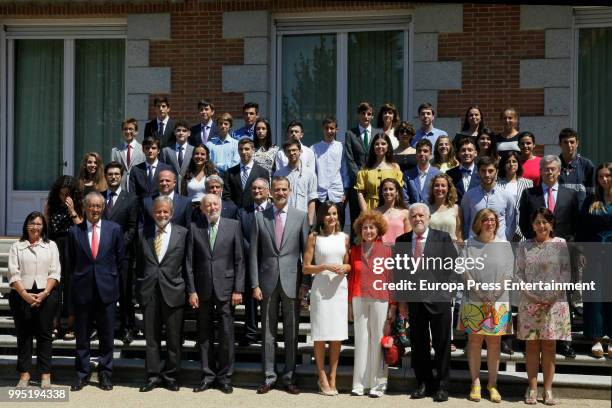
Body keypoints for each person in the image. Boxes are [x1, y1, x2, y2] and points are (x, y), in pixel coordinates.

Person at [249, 176, 310, 395]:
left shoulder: (301, 217)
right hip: (266, 282)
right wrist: (254, 283)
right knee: (267, 331)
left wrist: (305, 283)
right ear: (270, 192)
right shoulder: (259, 218)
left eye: (284, 189)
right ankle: (269, 376)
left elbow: (306, 253)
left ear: (290, 191)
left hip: (292, 281)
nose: (281, 193)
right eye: (277, 189)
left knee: (292, 332)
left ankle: (289, 376)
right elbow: (253, 254)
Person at [395, 203, 458, 402]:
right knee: (419, 345)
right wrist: (402, 301)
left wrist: (448, 290)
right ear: (410, 219)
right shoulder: (402, 240)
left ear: (428, 218)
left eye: (421, 215)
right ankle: (424, 383)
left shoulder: (442, 238)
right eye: (413, 216)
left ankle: (442, 386)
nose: (418, 219)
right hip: (415, 301)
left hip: (439, 299)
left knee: (441, 344)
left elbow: (454, 266)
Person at [519, 155, 580, 359]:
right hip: (535, 251)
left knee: (563, 297)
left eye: (553, 169)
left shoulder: (570, 195)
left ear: (559, 171)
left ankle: (564, 341)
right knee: (534, 296)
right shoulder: (529, 194)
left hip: (561, 252)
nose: (549, 172)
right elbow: (523, 222)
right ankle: (532, 336)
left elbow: (575, 223)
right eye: (545, 169)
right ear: (541, 171)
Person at [66, 192, 126, 391]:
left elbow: (120, 260)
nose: (95, 210)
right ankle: (82, 375)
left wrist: (114, 283)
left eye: (99, 206)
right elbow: (70, 264)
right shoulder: (74, 232)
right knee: (82, 337)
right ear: (84, 207)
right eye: (91, 206)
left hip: (106, 290)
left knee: (106, 337)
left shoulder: (114, 229)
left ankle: (105, 375)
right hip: (82, 291)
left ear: (103, 208)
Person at [136, 196, 195, 392]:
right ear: (153, 213)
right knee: (151, 338)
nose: (162, 215)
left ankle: (171, 376)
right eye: (158, 211)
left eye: (165, 212)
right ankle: (153, 376)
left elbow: (188, 265)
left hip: (174, 291)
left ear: (172, 213)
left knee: (173, 337)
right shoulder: (142, 233)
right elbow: (138, 265)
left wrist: (190, 291)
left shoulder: (183, 233)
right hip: (149, 291)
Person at [516, 208, 571, 405]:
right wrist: (530, 294)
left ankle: (547, 390)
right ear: (532, 225)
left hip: (554, 303)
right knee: (531, 345)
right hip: (529, 302)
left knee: (549, 345)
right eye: (537, 222)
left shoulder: (560, 244)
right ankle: (532, 388)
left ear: (551, 224)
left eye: (545, 222)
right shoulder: (524, 245)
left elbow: (566, 273)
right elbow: (519, 273)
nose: (541, 226)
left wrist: (552, 295)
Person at [191, 194, 244, 394]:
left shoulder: (233, 225)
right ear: (202, 209)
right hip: (203, 288)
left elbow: (239, 259)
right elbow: (190, 262)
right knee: (204, 335)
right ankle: (207, 375)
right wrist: (192, 290)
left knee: (226, 334)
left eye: (215, 204)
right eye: (208, 205)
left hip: (227, 288)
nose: (212, 208)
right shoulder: (195, 228)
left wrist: (238, 289)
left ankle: (224, 378)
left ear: (220, 206)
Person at [458, 209, 514, 403]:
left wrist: (494, 295)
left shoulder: (505, 245)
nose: (489, 223)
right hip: (474, 300)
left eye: (492, 220)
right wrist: (482, 294)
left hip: (498, 301)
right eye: (485, 220)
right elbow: (464, 271)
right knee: (474, 342)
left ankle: (492, 384)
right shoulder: (468, 244)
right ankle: (475, 383)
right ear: (478, 223)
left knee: (494, 343)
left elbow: (509, 273)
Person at [302, 202, 351, 396]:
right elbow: (306, 267)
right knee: (321, 334)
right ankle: (321, 375)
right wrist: (324, 267)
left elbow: (348, 265)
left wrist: (344, 268)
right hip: (321, 288)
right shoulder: (314, 238)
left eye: (335, 214)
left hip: (339, 289)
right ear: (322, 217)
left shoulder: (344, 238)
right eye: (328, 214)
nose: (332, 217)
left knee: (337, 334)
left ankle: (333, 376)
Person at [8, 212, 60, 388]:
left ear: (43, 226)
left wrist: (45, 293)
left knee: (45, 335)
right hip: (21, 295)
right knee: (24, 336)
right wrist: (25, 295)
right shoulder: (17, 246)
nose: (35, 227)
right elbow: (13, 273)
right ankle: (24, 374)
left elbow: (55, 271)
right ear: (26, 225)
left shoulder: (51, 245)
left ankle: (45, 374)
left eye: (39, 224)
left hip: (46, 294)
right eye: (32, 223)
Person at [348, 210, 393, 397]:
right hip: (359, 297)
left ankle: (378, 384)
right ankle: (359, 384)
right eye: (365, 227)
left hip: (381, 297)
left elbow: (392, 279)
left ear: (378, 229)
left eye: (371, 227)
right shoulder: (355, 251)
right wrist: (349, 304)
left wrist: (394, 306)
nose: (368, 230)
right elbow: (351, 278)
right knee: (361, 340)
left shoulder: (387, 250)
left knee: (377, 340)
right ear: (360, 230)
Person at [102, 162, 139, 345]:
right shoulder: (99, 198)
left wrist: (118, 247)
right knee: (103, 294)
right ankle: (104, 328)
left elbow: (132, 228)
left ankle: (127, 328)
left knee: (125, 295)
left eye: (117, 174)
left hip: (123, 255)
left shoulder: (131, 199)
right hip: (101, 257)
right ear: (105, 176)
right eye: (110, 174)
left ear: (122, 176)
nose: (114, 177)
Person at [580, 163, 612, 358]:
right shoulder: (591, 200)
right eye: (601, 177)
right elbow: (582, 227)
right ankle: (597, 339)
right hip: (594, 253)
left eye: (608, 176)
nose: (605, 180)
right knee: (595, 296)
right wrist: (581, 251)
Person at [45, 176, 82, 341]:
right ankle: (54, 324)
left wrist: (72, 210)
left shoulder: (77, 204)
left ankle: (70, 324)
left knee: (71, 284)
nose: (64, 196)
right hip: (54, 245)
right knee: (54, 284)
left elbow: (81, 227)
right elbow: (45, 228)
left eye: (68, 193)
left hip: (72, 244)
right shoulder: (50, 205)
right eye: (62, 193)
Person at [237, 178, 271, 346]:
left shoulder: (274, 211)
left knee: (268, 300)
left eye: (260, 188)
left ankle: (268, 335)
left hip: (269, 261)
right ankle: (250, 333)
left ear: (267, 191)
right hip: (249, 260)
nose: (257, 191)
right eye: (254, 188)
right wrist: (252, 251)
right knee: (251, 300)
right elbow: (239, 235)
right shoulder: (243, 212)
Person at [345, 102, 382, 230]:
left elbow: (380, 155)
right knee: (357, 220)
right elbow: (350, 159)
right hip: (357, 184)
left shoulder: (378, 133)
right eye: (363, 114)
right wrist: (361, 177)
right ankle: (356, 249)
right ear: (358, 115)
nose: (366, 116)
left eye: (369, 114)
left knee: (375, 219)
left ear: (372, 116)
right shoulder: (350, 134)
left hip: (374, 184)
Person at [461, 156, 515, 241]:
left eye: (490, 171)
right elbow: (465, 223)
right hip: (475, 246)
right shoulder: (469, 196)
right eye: (483, 171)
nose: (487, 174)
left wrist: (504, 241)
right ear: (478, 172)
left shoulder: (507, 195)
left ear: (496, 172)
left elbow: (511, 224)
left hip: (499, 245)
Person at [311, 117, 349, 226]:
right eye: (326, 128)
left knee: (338, 226)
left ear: (337, 130)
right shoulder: (314, 148)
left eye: (332, 128)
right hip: (320, 194)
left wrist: (345, 192)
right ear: (323, 129)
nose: (329, 131)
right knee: (322, 227)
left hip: (337, 193)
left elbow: (345, 170)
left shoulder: (341, 147)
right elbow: (313, 173)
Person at [355, 133, 404, 212]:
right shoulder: (366, 169)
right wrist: (365, 212)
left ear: (388, 146)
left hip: (390, 209)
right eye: (377, 144)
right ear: (373, 147)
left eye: (383, 144)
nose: (380, 146)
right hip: (370, 209)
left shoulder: (395, 167)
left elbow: (398, 192)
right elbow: (360, 192)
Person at [274, 138, 318, 224]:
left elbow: (312, 200)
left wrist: (310, 223)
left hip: (303, 219)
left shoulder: (310, 174)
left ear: (300, 151)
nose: (291, 153)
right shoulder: (278, 174)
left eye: (294, 150)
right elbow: (276, 199)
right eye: (288, 151)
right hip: (284, 219)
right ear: (285, 153)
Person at [496, 151, 533, 241]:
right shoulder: (497, 184)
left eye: (514, 161)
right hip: (503, 229)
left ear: (518, 164)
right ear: (503, 165)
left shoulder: (528, 183)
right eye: (508, 162)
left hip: (523, 229)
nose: (511, 164)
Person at [223, 137, 270, 209]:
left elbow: (265, 194)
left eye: (247, 149)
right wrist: (234, 209)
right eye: (241, 149)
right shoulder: (230, 173)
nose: (243, 152)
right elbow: (226, 195)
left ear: (253, 150)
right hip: (235, 215)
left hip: (255, 213)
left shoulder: (263, 172)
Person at [557, 127, 595, 208]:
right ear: (560, 144)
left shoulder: (587, 165)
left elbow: (591, 194)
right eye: (565, 142)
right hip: (558, 214)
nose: (569, 145)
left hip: (580, 214)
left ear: (577, 143)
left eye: (572, 142)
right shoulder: (553, 165)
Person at [129, 136, 175, 201]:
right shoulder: (135, 169)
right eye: (147, 148)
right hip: (141, 208)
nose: (150, 151)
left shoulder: (168, 169)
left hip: (161, 207)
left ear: (158, 150)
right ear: (143, 150)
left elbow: (172, 191)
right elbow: (132, 194)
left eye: (153, 148)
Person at [110, 118, 145, 192]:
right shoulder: (115, 151)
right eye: (125, 129)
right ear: (122, 132)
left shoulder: (143, 150)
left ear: (136, 132)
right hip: (121, 190)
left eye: (131, 129)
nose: (128, 131)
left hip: (138, 189)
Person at [160, 120, 194, 195]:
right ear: (174, 132)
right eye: (178, 130)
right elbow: (162, 171)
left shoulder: (194, 151)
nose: (181, 133)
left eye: (184, 131)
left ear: (189, 133)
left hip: (188, 190)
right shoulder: (166, 151)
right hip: (170, 190)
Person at [428, 173, 462, 243]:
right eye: (437, 185)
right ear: (432, 188)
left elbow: (459, 236)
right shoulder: (426, 209)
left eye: (443, 186)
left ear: (448, 188)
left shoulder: (456, 208)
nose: (440, 188)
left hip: (451, 250)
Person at [404, 139, 440, 204]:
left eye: (425, 151)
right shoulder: (407, 174)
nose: (422, 153)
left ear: (431, 154)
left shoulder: (438, 174)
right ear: (416, 153)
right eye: (419, 151)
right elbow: (405, 200)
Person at [376, 178, 411, 245]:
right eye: (385, 189)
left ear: (397, 192)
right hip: (380, 251)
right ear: (381, 192)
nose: (388, 192)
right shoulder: (374, 213)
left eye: (391, 189)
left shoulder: (405, 213)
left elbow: (408, 238)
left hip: (398, 252)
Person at [447, 137, 480, 202]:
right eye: (463, 150)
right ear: (458, 154)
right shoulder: (449, 174)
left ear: (475, 153)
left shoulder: (482, 172)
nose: (466, 153)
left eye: (470, 150)